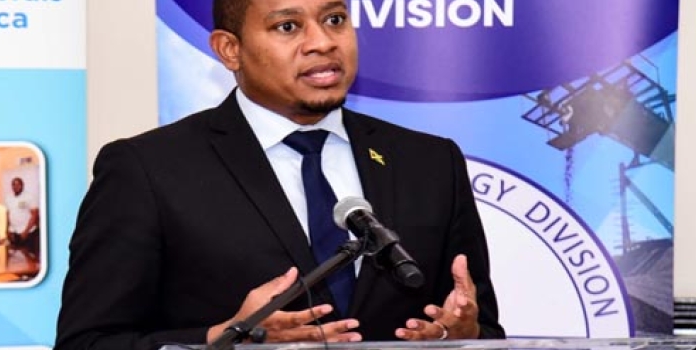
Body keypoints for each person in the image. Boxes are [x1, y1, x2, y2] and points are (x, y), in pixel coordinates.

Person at [56, 0, 504, 349]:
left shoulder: (430, 161)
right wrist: (226, 336)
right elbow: (87, 342)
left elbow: (484, 327)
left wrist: (459, 336)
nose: (323, 42)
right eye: (287, 27)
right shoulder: (148, 169)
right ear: (229, 49)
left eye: (334, 19)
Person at [5, 177, 39, 258]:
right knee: (15, 258)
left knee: (29, 258)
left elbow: (34, 215)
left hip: (28, 233)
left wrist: (26, 231)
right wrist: (8, 229)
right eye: (13, 184)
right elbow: (8, 214)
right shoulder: (8, 197)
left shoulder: (29, 197)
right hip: (14, 232)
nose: (16, 186)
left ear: (22, 185)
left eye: (18, 184)